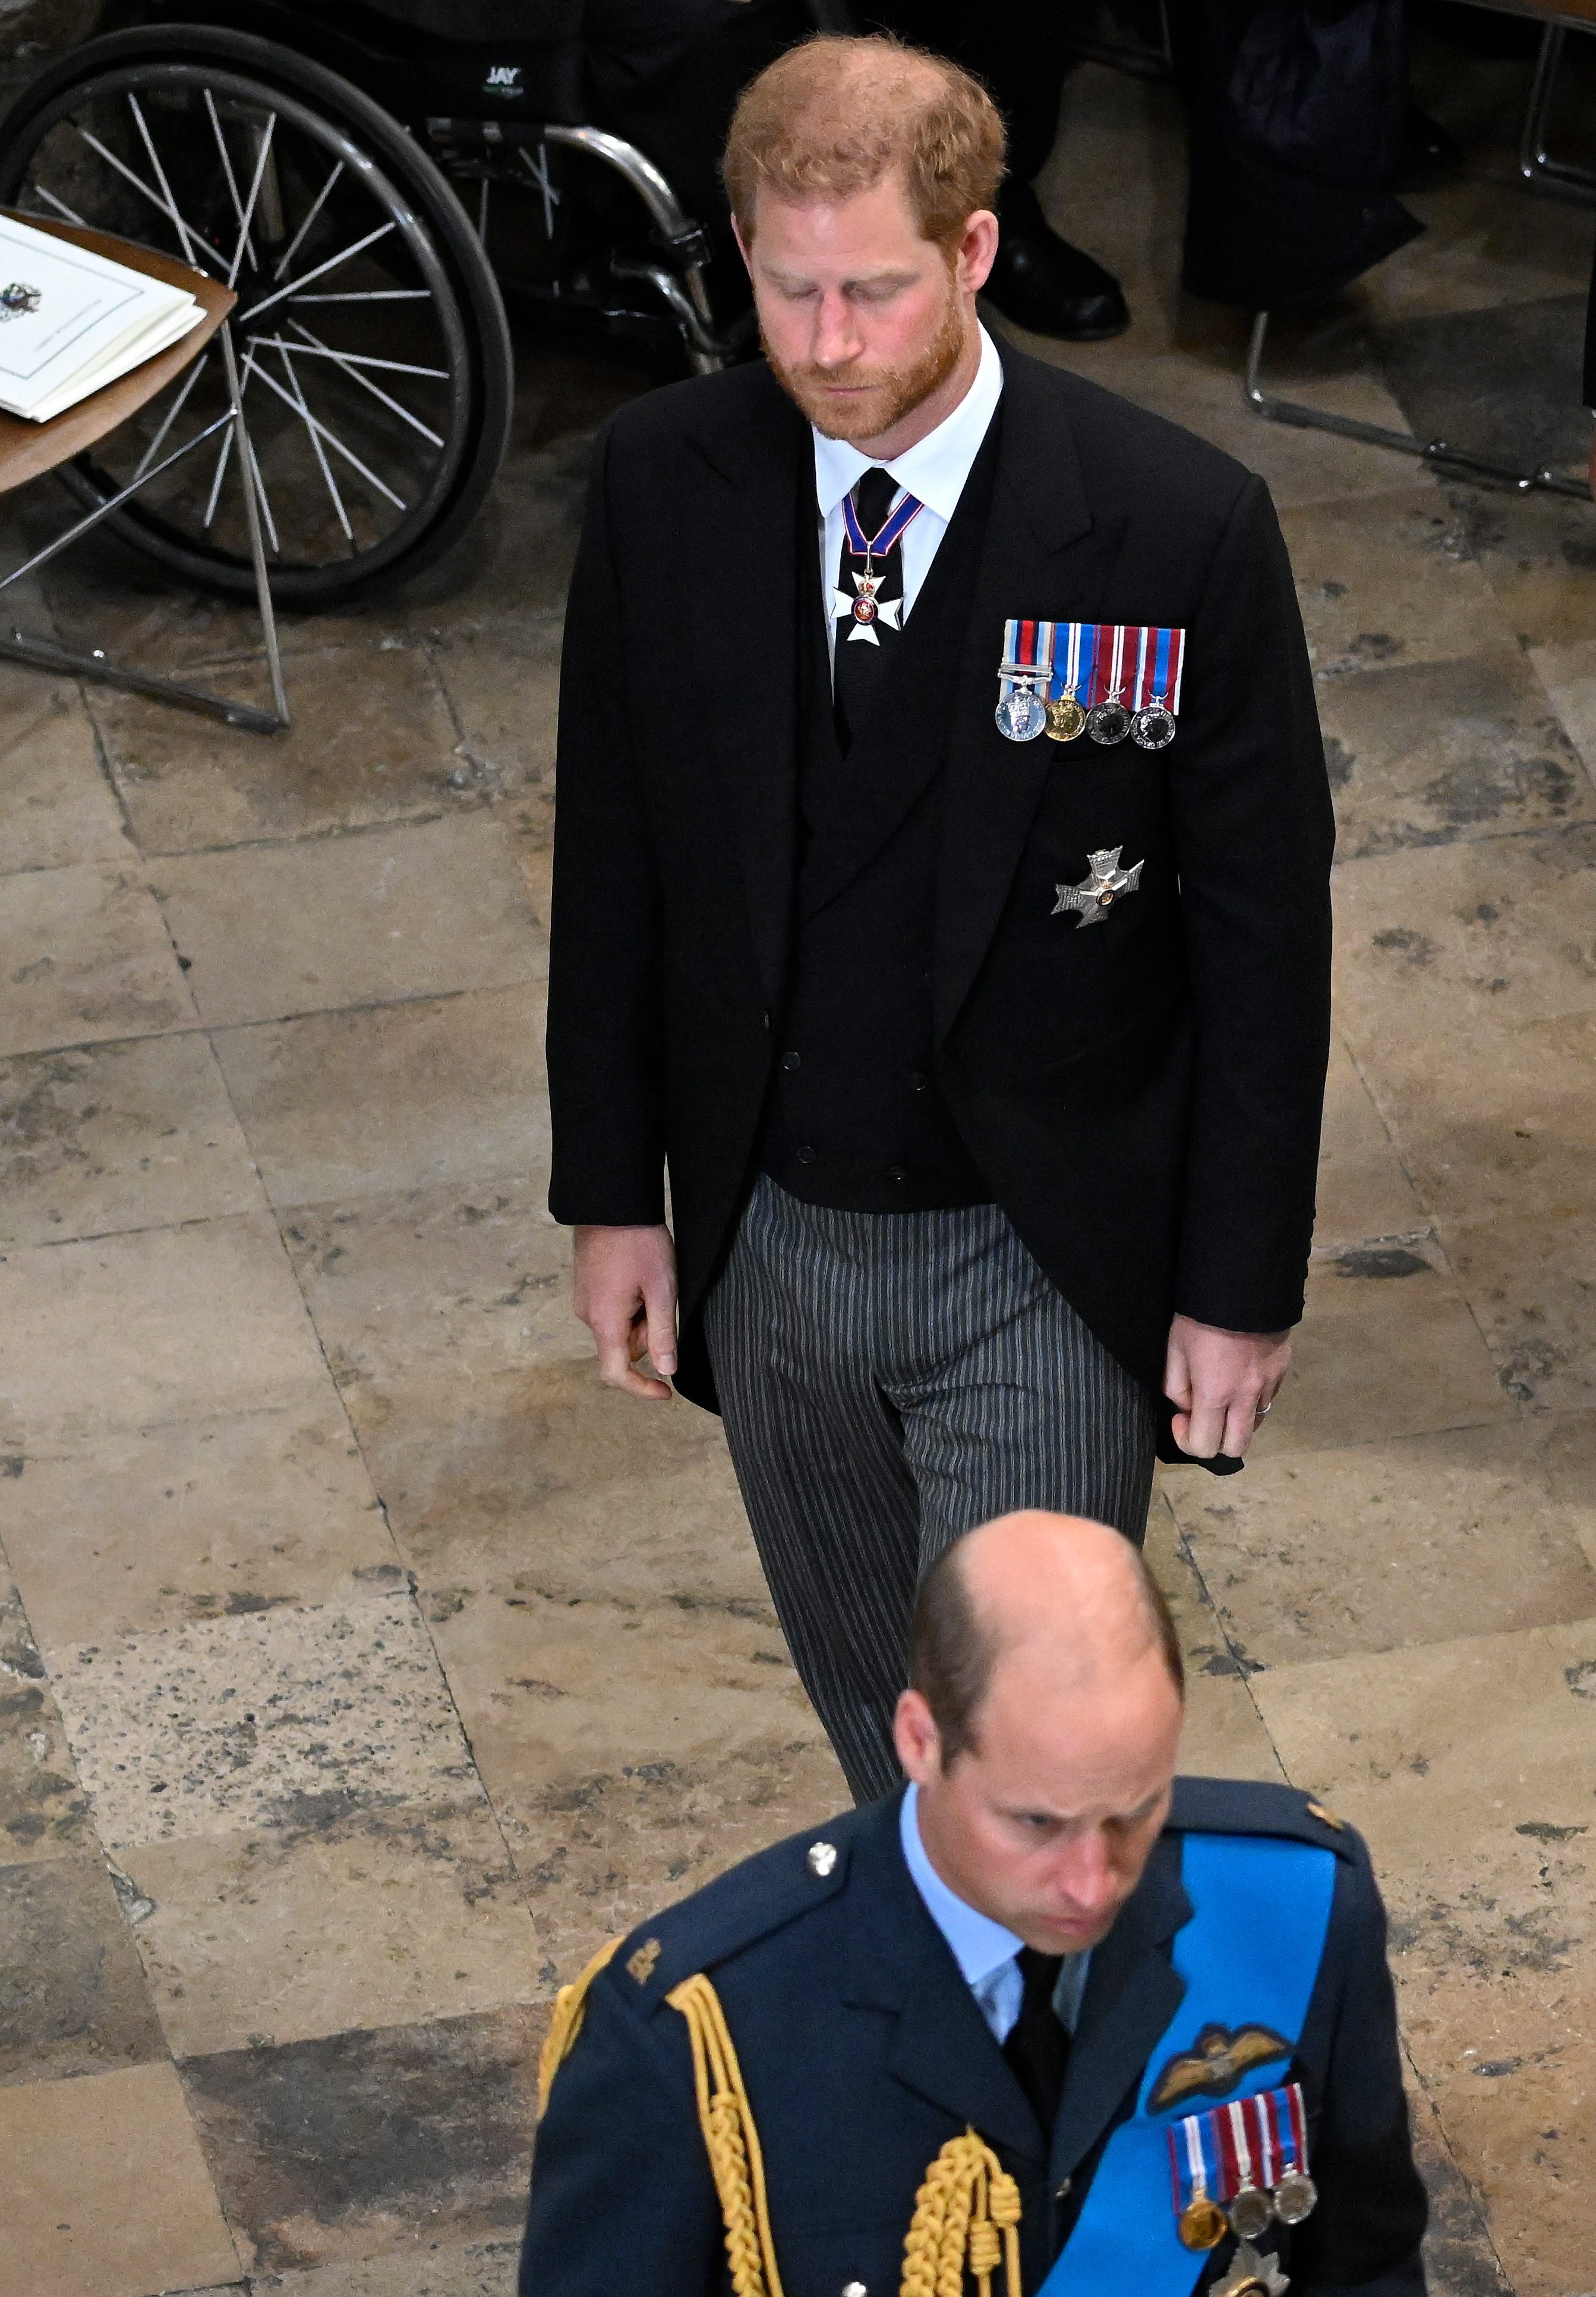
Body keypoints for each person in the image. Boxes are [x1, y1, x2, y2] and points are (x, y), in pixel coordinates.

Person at [547, 34, 1335, 1803]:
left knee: (1030, 1735)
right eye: (784, 287)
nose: (825, 342)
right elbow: (612, 858)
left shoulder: (1168, 527)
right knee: (887, 1749)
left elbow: (1262, 936)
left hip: (1037, 1248)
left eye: (874, 291)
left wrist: (1235, 1285)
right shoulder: (667, 483)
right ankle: (955, 2052)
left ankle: (1072, 2046)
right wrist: (612, 1195)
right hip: (770, 1243)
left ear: (973, 255)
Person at [520, 1512, 1429, 2297]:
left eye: (1134, 1809)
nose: (1091, 1880)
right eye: (1036, 1819)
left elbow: (1365, 2264)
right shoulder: (697, 2033)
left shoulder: (1293, 1905)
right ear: (920, 1739)